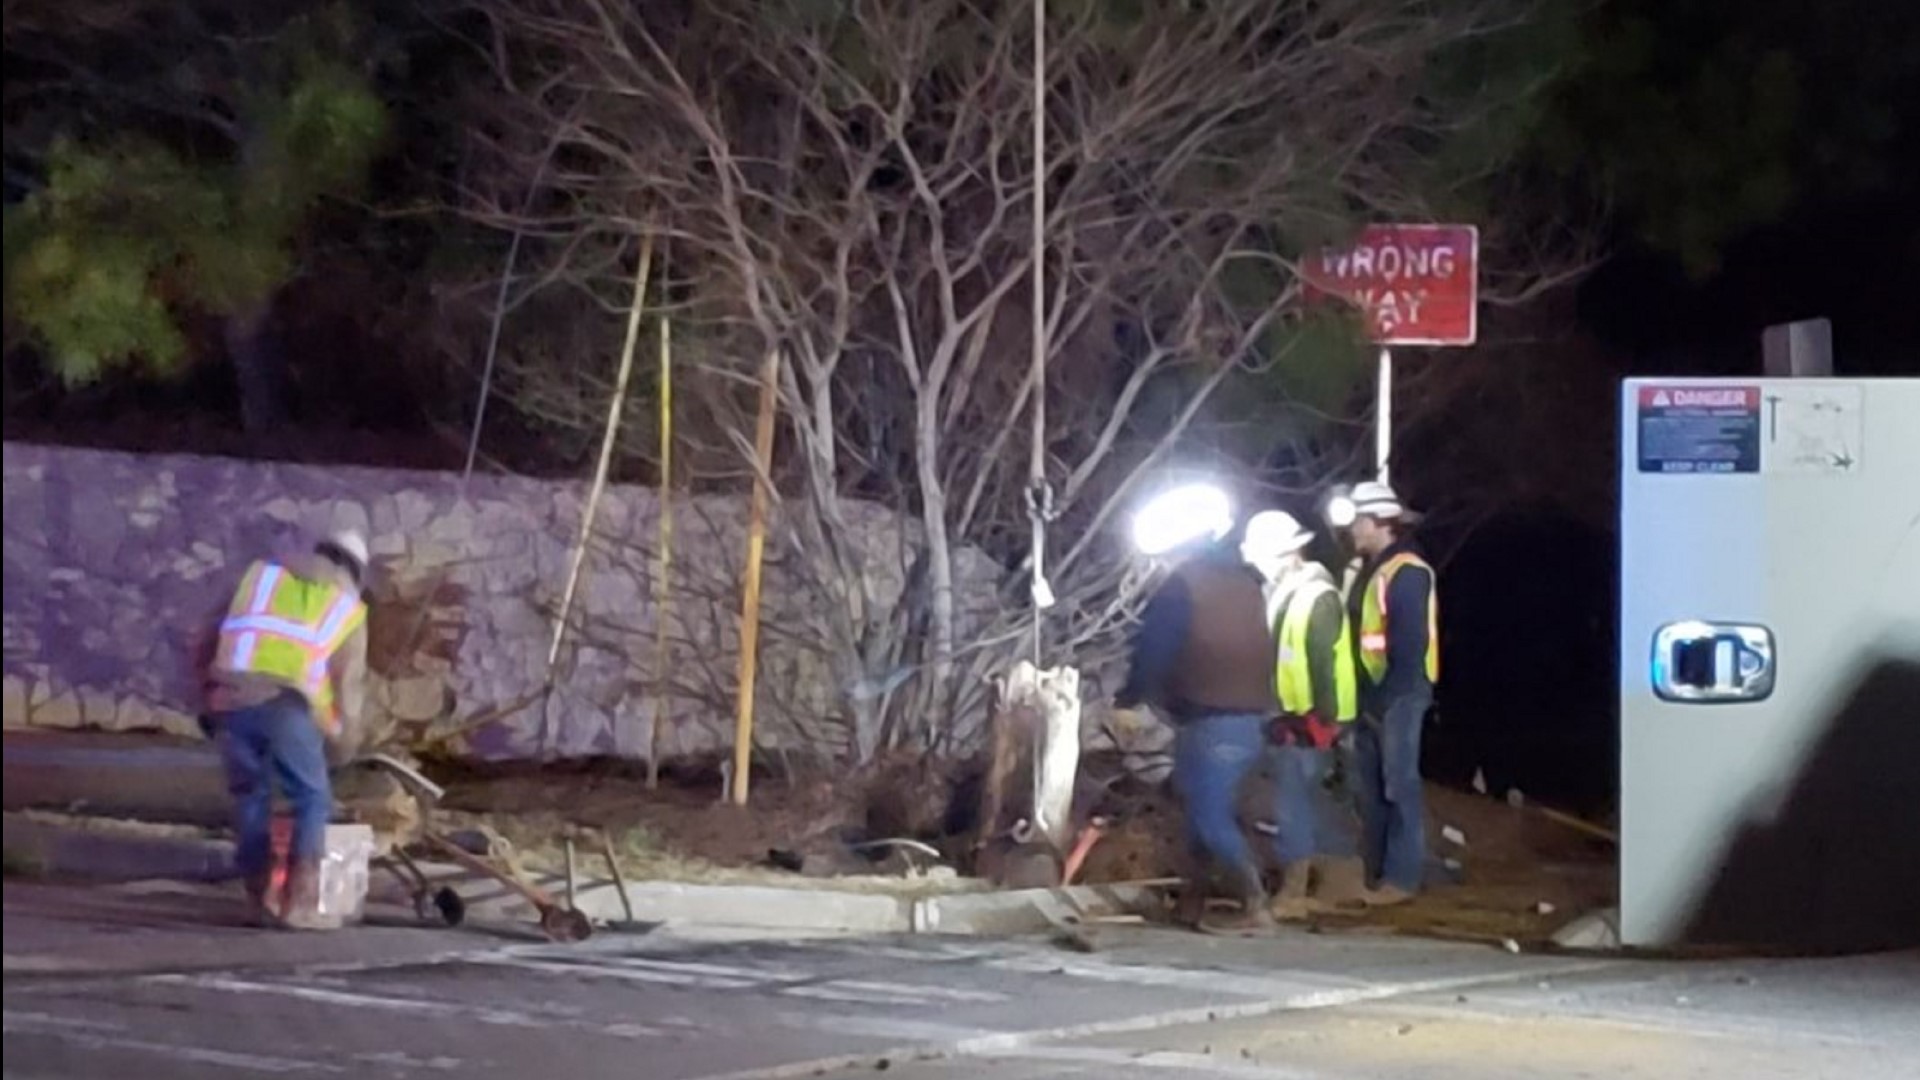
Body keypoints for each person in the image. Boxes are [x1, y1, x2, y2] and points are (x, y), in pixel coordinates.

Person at [1114, 484, 1280, 935]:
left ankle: (1254, 904)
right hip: (1245, 716)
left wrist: (1131, 699)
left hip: (1213, 715)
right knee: (1195, 801)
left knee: (1207, 811)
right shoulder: (1246, 583)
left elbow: (1156, 647)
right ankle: (1193, 900)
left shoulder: (1184, 585)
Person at [194, 531, 372, 929]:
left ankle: (259, 898)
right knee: (312, 796)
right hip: (285, 705)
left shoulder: (260, 578)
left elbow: (206, 638)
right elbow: (347, 687)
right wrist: (345, 744)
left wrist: (206, 695)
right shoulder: (347, 606)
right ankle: (301, 903)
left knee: (249, 795)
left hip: (230, 698)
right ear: (355, 570)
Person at [1239, 510, 1365, 919]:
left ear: (1287, 552)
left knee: (1294, 801)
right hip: (1291, 713)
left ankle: (1298, 888)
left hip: (1313, 717)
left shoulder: (1314, 596)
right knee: (1304, 798)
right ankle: (1337, 876)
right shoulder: (1283, 590)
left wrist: (1321, 721)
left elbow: (1325, 661)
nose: (1257, 564)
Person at [1342, 482, 1439, 906]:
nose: (1352, 529)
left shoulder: (1407, 571)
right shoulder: (1372, 571)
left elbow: (1408, 641)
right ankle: (1379, 873)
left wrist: (1385, 698)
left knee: (1399, 785)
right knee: (1375, 788)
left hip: (1397, 693)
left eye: (1358, 521)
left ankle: (1401, 878)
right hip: (1376, 694)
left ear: (1377, 522)